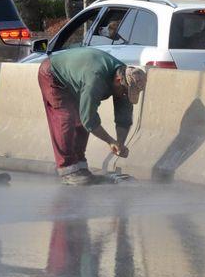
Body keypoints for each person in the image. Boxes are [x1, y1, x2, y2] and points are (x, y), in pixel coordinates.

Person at [38, 47, 147, 185]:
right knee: (66, 119)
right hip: (53, 74)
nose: (124, 96)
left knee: (79, 122)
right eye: (125, 92)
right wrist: (110, 141)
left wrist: (120, 143)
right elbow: (89, 119)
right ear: (118, 80)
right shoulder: (95, 79)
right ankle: (67, 170)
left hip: (77, 77)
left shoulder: (126, 78)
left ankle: (80, 166)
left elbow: (124, 118)